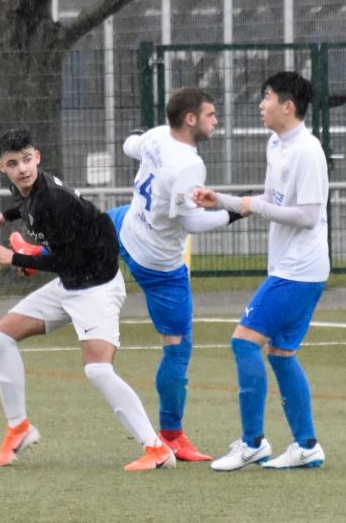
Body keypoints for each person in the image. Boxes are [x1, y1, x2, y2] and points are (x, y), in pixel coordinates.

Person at [0, 128, 175, 472]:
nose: (22, 168)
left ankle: (157, 449)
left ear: (37, 156)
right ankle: (18, 427)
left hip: (96, 284)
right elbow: (26, 207)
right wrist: (2, 218)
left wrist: (17, 260)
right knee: (0, 335)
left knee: (97, 369)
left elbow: (64, 260)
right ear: (2, 168)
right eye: (13, 163)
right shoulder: (26, 189)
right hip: (71, 281)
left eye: (26, 160)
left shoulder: (53, 201)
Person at [193, 71, 330, 471]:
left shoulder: (309, 150)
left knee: (243, 342)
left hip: (300, 269)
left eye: (267, 97)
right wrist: (221, 200)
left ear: (288, 106)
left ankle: (252, 442)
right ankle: (307, 446)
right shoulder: (276, 144)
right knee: (282, 354)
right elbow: (270, 199)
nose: (261, 104)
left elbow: (307, 216)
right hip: (293, 267)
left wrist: (254, 207)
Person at [110, 87, 242, 462]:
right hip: (159, 262)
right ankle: (172, 435)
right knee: (177, 348)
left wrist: (138, 138)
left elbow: (128, 145)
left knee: (95, 224)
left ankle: (33, 252)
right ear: (190, 119)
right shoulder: (189, 164)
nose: (215, 121)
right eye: (210, 115)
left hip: (129, 228)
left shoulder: (154, 135)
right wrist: (235, 211)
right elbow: (192, 222)